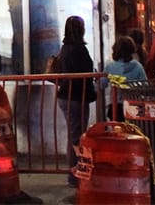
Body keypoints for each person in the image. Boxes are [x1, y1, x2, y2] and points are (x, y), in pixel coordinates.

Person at [54, 15, 97, 187]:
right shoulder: (78, 49)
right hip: (76, 97)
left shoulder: (65, 48)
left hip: (66, 96)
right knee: (77, 136)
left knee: (74, 134)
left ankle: (75, 172)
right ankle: (76, 173)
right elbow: (83, 73)